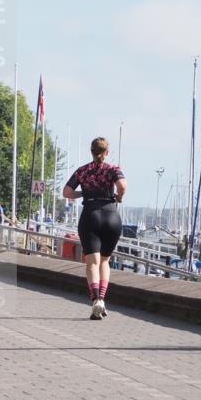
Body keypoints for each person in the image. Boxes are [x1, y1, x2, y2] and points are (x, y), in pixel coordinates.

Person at [62, 136, 127, 320]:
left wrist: (84, 192)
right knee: (105, 261)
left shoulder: (82, 171)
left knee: (92, 263)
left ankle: (96, 299)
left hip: (90, 215)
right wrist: (119, 197)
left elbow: (66, 192)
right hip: (111, 215)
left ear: (91, 152)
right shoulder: (113, 169)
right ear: (107, 152)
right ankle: (103, 299)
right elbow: (122, 186)